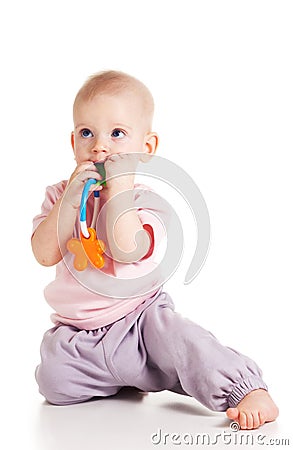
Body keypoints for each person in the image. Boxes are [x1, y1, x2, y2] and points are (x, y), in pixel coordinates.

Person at [32, 70, 279, 430]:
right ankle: (126, 376)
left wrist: (118, 188)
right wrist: (70, 201)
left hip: (141, 319)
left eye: (117, 134)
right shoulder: (59, 196)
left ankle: (243, 388)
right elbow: (43, 254)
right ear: (73, 144)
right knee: (53, 382)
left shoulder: (147, 203)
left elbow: (126, 249)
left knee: (185, 344)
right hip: (79, 333)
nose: (100, 146)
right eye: (87, 133)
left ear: (146, 149)